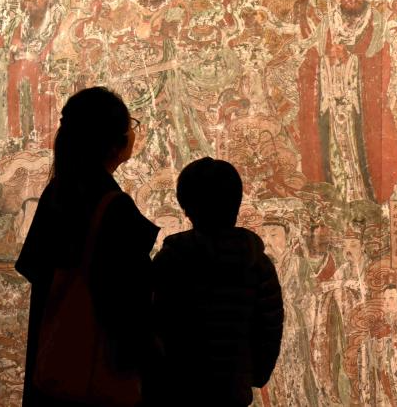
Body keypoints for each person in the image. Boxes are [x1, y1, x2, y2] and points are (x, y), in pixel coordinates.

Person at [15, 87, 159, 406]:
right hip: (97, 377)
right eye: (130, 125)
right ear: (114, 143)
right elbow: (129, 303)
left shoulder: (58, 191)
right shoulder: (112, 207)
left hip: (54, 368)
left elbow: (33, 267)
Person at [149, 157, 284, 406]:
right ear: (236, 204)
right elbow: (269, 327)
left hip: (178, 388)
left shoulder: (171, 260)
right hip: (232, 390)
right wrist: (251, 375)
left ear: (186, 207)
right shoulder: (258, 263)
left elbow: (154, 324)